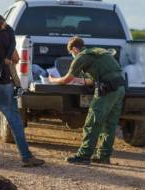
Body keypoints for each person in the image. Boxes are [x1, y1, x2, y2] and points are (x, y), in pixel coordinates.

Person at [0, 3, 43, 168]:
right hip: (3, 83)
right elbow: (15, 58)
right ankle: (26, 156)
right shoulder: (6, 34)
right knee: (14, 119)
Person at [49, 37, 126, 165]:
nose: (73, 56)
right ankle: (103, 156)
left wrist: (53, 80)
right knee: (109, 124)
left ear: (74, 49)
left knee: (92, 123)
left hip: (107, 89)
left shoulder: (81, 56)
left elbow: (66, 79)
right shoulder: (97, 52)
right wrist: (80, 80)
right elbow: (93, 80)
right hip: (120, 88)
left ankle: (84, 156)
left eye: (72, 54)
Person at [0, 13, 21, 90]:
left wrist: (8, 57)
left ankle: (18, 86)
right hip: (3, 75)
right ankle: (18, 87)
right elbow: (12, 43)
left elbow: (13, 43)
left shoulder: (7, 30)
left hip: (9, 52)